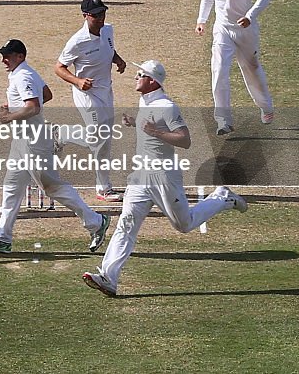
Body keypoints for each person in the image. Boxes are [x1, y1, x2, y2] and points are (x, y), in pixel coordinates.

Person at [82, 60, 248, 297]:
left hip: (163, 176)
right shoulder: (146, 101)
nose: (136, 77)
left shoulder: (167, 106)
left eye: (141, 74)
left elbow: (184, 139)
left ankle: (223, 197)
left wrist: (156, 132)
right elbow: (150, 127)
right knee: (126, 224)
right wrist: (135, 124)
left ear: (153, 81)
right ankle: (108, 277)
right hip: (140, 176)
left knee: (184, 224)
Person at [0, 39, 110, 254]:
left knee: (51, 186)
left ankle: (95, 221)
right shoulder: (26, 73)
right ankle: (2, 237)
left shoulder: (24, 75)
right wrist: (17, 109)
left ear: (20, 56)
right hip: (22, 141)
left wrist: (10, 116)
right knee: (12, 188)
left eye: (8, 55)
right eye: (3, 55)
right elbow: (47, 95)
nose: (3, 59)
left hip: (33, 141)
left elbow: (34, 107)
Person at [196, 0, 274, 135]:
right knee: (219, 70)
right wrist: (201, 20)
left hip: (245, 32)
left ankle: (266, 107)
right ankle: (223, 121)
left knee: (251, 69)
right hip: (222, 29)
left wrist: (250, 16)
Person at [54, 0, 128, 201]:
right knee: (98, 138)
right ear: (85, 16)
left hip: (106, 91)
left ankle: (104, 189)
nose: (100, 18)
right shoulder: (77, 41)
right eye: (96, 15)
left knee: (105, 140)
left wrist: (118, 60)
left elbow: (109, 49)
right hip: (86, 94)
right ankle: (61, 135)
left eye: (102, 13)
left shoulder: (108, 30)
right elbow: (59, 68)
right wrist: (77, 81)